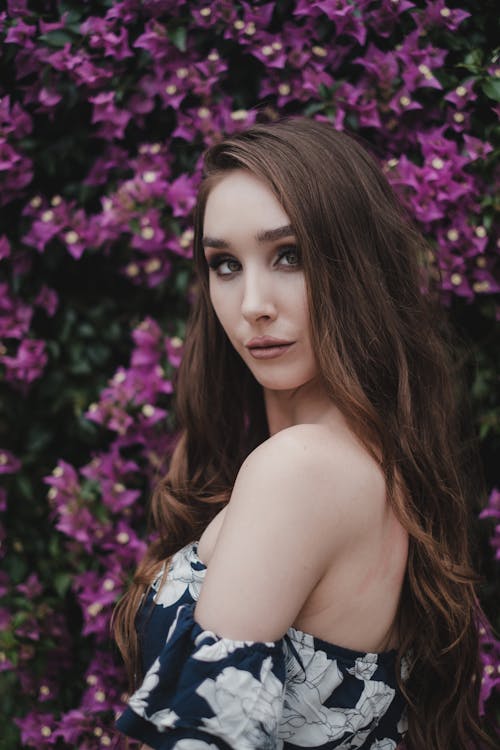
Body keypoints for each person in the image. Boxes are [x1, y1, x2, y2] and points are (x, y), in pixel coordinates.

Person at [112, 118, 491, 749]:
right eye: (224, 264)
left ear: (357, 266)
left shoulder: (300, 469)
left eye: (290, 256)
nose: (252, 302)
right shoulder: (377, 462)